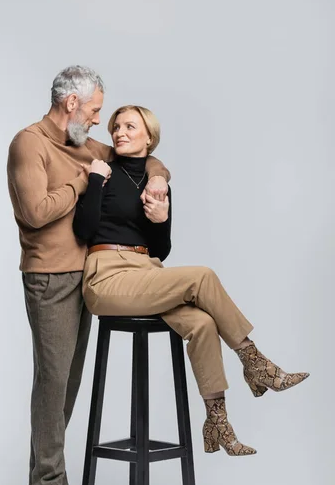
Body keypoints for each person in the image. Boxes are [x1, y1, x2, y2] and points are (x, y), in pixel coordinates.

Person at [73, 104, 309, 460]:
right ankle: (256, 363)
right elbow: (83, 230)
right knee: (202, 276)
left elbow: (161, 250)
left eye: (129, 126)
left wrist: (161, 218)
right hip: (106, 276)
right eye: (116, 126)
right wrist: (93, 181)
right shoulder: (103, 171)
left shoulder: (157, 183)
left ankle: (217, 421)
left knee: (202, 322)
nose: (119, 132)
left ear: (149, 137)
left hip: (145, 271)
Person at [7, 67, 170, 485]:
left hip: (89, 275)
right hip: (49, 275)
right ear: (72, 103)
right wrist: (83, 182)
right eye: (97, 109)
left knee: (70, 380)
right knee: (53, 380)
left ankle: (46, 483)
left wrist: (157, 178)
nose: (102, 122)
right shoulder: (29, 143)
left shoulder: (85, 143)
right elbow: (34, 212)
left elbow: (138, 155)